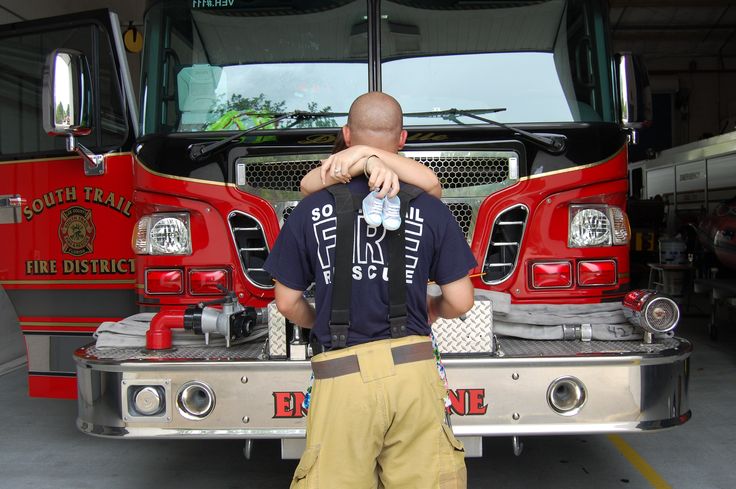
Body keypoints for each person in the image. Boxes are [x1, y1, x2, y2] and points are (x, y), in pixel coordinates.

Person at [264, 92, 475, 488]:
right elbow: (461, 300)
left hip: (340, 375)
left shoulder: (309, 210)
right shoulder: (432, 208)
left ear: (346, 135)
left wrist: (319, 320)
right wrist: (430, 308)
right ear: (403, 139)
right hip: (413, 373)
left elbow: (287, 302)